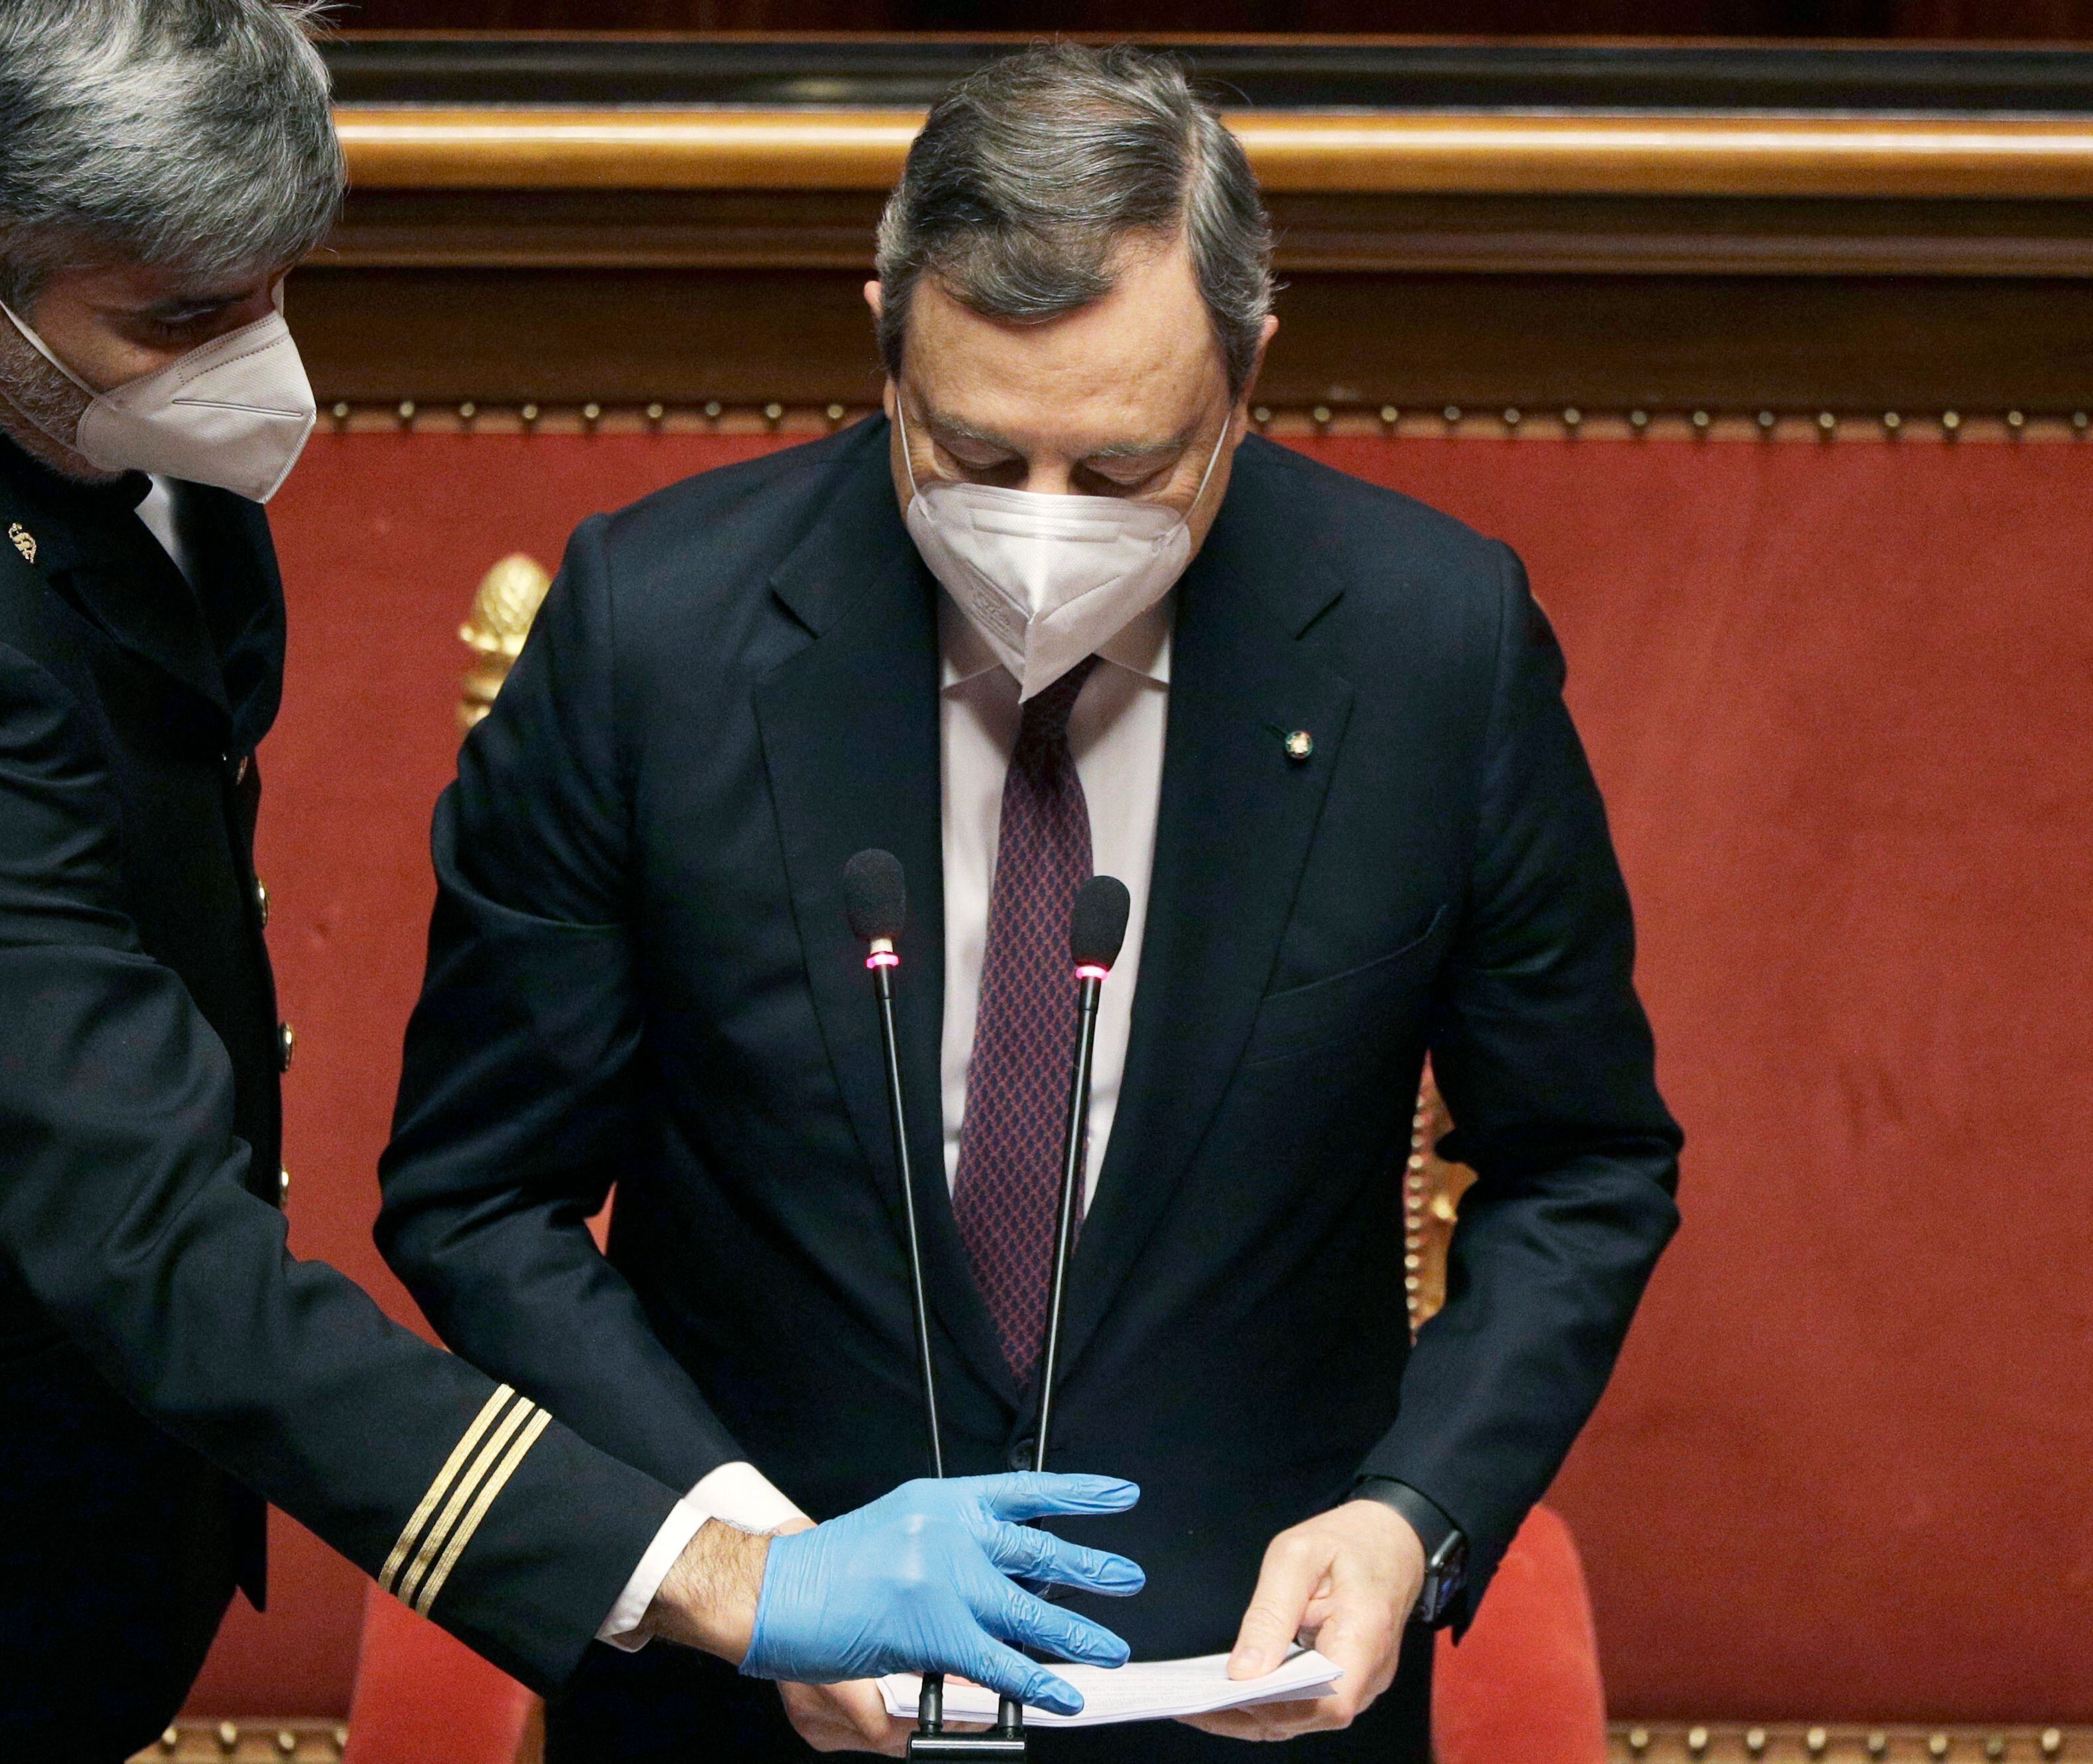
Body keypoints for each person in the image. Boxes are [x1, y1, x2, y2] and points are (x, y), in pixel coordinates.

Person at [0, 8, 1152, 1763]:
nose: (259, 358)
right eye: (183, 320)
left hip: (62, 1468)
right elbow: (155, 1243)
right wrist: (725, 1577)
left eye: (274, 281)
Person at [377, 43, 1683, 1763]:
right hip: (746, 1710)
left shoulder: (1426, 646)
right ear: (883, 334)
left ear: (1250, 368)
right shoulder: (655, 635)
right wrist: (739, 1555)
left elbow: (1581, 1162)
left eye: (1127, 467)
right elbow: (480, 1192)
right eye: (974, 456)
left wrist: (1409, 1511)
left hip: (1239, 1707)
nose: (1041, 536)